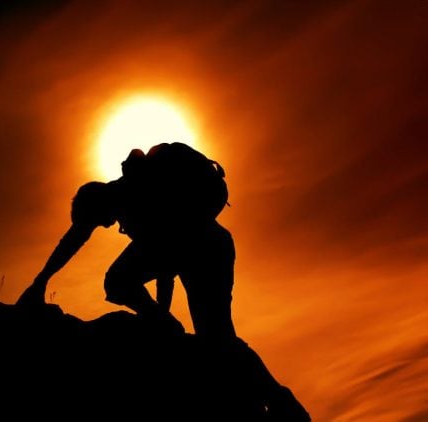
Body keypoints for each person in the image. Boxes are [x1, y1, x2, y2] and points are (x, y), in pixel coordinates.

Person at [16, 142, 310, 420]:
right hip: (213, 247)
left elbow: (165, 258)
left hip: (205, 250)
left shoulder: (134, 196)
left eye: (96, 221)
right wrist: (41, 280)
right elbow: (155, 256)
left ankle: (274, 399)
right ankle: (280, 399)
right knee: (217, 339)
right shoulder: (128, 197)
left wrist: (161, 320)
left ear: (96, 203)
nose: (102, 227)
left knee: (119, 281)